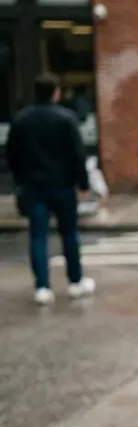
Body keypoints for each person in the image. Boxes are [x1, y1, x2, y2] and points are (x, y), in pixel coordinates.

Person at [7, 74, 93, 305]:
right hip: (63, 185)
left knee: (38, 236)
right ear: (55, 92)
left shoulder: (21, 120)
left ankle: (43, 287)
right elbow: (77, 154)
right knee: (70, 234)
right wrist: (83, 183)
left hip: (33, 186)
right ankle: (75, 281)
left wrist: (19, 180)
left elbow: (12, 155)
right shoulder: (66, 119)